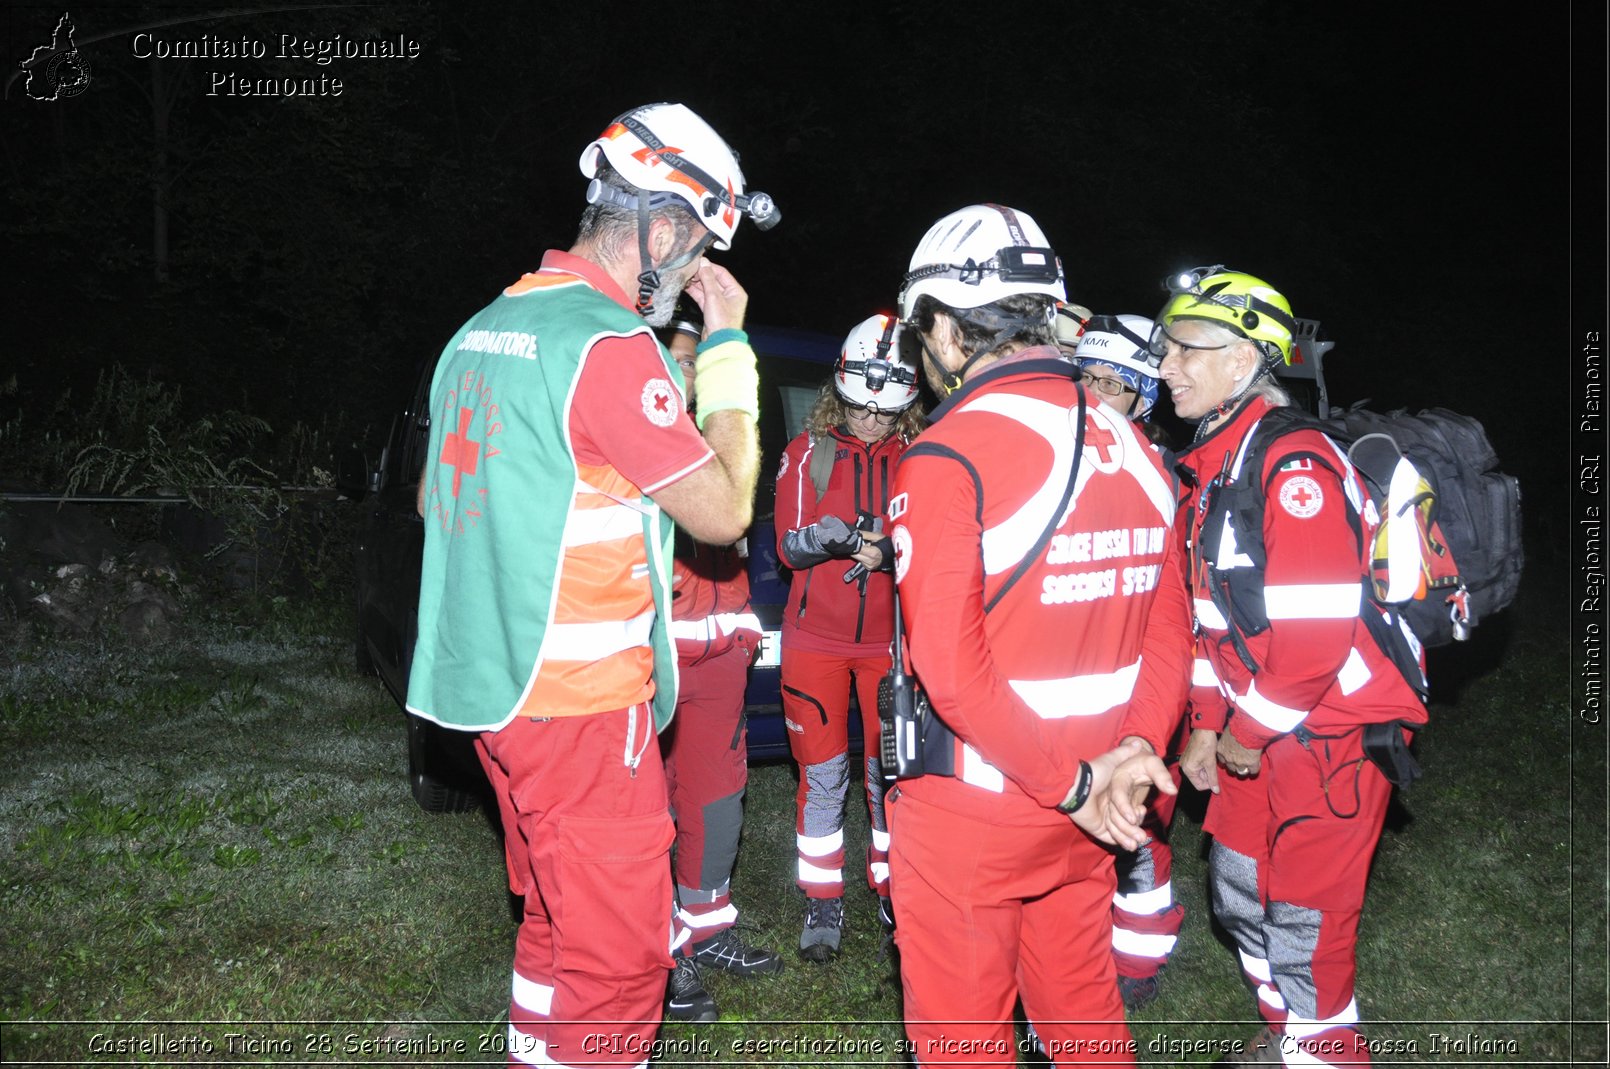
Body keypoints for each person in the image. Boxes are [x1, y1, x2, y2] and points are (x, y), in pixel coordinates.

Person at [406, 102, 778, 1066]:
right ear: (657, 223)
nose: (696, 267)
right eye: (696, 239)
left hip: (492, 696)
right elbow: (726, 511)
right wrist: (728, 345)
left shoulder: (484, 327)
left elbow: (430, 497)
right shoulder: (610, 347)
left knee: (553, 919)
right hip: (579, 707)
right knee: (617, 960)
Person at [885, 203, 1193, 1066]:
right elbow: (1171, 628)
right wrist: (1131, 753)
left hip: (982, 810)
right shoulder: (1136, 446)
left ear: (946, 328)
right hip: (1096, 803)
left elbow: (949, 669)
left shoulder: (948, 455)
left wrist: (1074, 782)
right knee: (1085, 1020)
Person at [1156, 266, 1428, 1067]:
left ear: (1243, 361)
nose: (1166, 365)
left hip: (1328, 737)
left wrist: (1245, 730)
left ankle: (1325, 1053)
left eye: (1186, 349)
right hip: (1257, 726)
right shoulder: (1215, 464)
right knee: (1240, 895)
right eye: (1166, 347)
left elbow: (1313, 642)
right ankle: (1289, 1040)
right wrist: (1208, 727)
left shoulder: (1294, 464)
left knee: (1306, 928)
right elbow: (1213, 622)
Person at [774, 312, 922, 961]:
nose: (872, 422)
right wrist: (834, 537)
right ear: (842, 392)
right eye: (863, 409)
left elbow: (932, 543)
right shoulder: (808, 452)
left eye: (885, 415)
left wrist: (885, 550)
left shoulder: (918, 458)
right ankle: (822, 897)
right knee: (824, 772)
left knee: (892, 772)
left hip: (891, 643)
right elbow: (787, 545)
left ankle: (896, 889)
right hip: (815, 643)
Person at [657, 315, 782, 1025]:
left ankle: (707, 928)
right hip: (653, 653)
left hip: (721, 654)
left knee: (715, 799)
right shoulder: (633, 425)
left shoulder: (726, 429)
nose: (687, 374)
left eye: (697, 362)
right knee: (641, 808)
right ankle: (658, 952)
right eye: (675, 359)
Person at [1072, 313, 1184, 1010]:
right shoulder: (1058, 460)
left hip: (1143, 687)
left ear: (1143, 396)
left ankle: (1140, 954)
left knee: (1140, 828)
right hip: (1077, 683)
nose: (1092, 393)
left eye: (1112, 383)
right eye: (1084, 376)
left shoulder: (1166, 475)